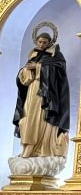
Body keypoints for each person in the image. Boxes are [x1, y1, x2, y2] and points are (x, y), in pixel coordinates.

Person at [13, 27, 70, 159]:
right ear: (36, 42)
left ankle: (37, 147)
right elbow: (25, 79)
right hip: (32, 89)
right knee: (26, 117)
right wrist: (26, 70)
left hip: (46, 93)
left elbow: (60, 71)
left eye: (44, 42)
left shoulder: (56, 55)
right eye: (39, 42)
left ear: (49, 42)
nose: (41, 44)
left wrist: (38, 67)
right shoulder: (33, 55)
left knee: (38, 117)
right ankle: (27, 146)